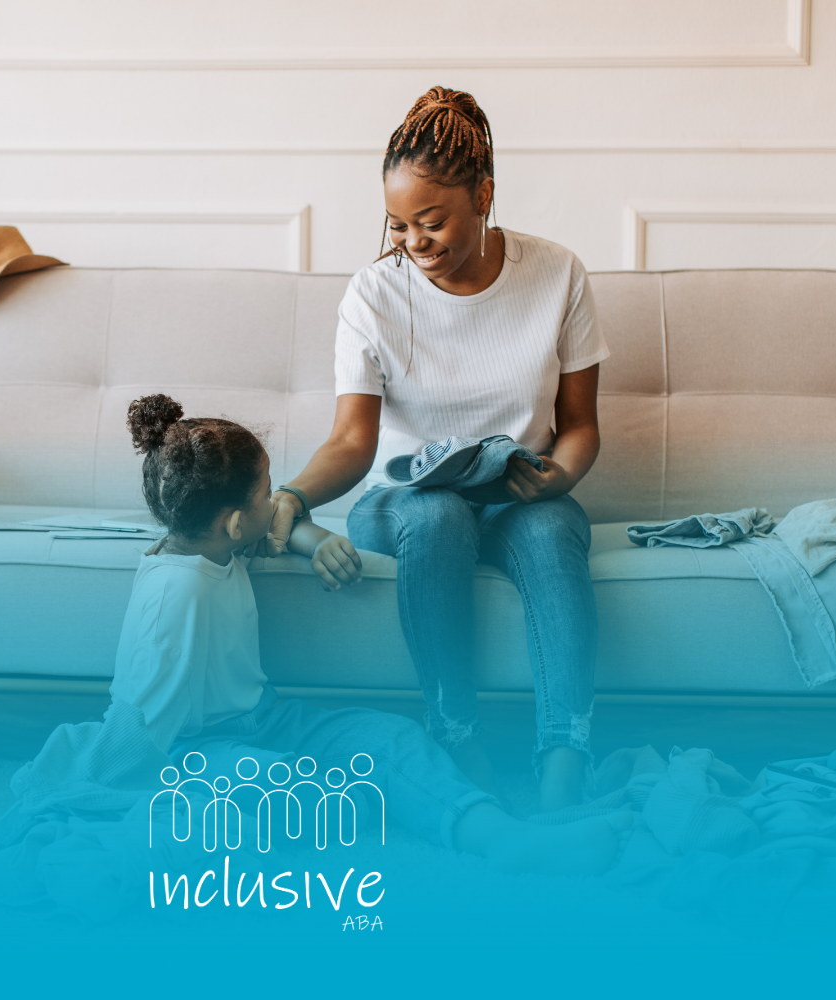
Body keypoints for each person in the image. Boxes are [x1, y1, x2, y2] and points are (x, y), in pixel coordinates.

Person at [260, 87, 610, 812]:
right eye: (397, 226)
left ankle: (564, 757)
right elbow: (354, 441)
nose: (414, 244)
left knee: (551, 531)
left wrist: (559, 476)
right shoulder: (372, 296)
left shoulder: (558, 275)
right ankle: (456, 738)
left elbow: (579, 424)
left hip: (519, 497)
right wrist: (293, 495)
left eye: (432, 222)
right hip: (404, 504)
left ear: (484, 195)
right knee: (439, 515)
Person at [116, 393, 629, 875]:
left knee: (394, 739)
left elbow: (275, 525)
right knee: (311, 796)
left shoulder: (213, 541)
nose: (277, 499)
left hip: (268, 720)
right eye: (266, 491)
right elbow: (139, 728)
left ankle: (501, 837)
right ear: (233, 523)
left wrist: (315, 540)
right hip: (198, 750)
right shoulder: (173, 597)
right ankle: (339, 806)